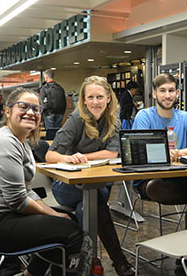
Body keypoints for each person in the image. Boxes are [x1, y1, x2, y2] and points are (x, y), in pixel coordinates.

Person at [0, 88, 83, 276]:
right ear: (8, 111)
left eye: (36, 109)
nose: (31, 112)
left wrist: (54, 213)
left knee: (69, 221)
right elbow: (17, 200)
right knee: (70, 231)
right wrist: (54, 215)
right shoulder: (3, 141)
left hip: (6, 215)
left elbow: (27, 191)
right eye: (23, 106)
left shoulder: (22, 142)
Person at [45, 75, 135, 276]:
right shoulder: (76, 120)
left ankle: (79, 264)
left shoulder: (114, 120)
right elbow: (50, 155)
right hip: (66, 185)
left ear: (109, 98)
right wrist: (68, 159)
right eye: (91, 97)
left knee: (89, 205)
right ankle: (117, 262)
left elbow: (112, 153)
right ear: (84, 100)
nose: (95, 102)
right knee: (95, 203)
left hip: (98, 185)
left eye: (100, 97)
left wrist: (82, 156)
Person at [132, 73, 187, 229]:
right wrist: (165, 153)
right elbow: (139, 149)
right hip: (150, 179)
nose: (167, 95)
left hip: (179, 176)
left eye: (171, 90)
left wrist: (179, 153)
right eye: (162, 91)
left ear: (177, 93)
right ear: (154, 94)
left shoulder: (185, 117)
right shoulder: (144, 116)